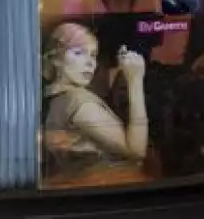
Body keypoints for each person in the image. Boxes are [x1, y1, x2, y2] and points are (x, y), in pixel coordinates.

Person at [41, 22, 149, 185]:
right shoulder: (77, 102)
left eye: (93, 55)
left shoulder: (55, 98)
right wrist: (135, 80)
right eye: (79, 53)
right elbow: (136, 150)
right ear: (56, 59)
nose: (90, 63)